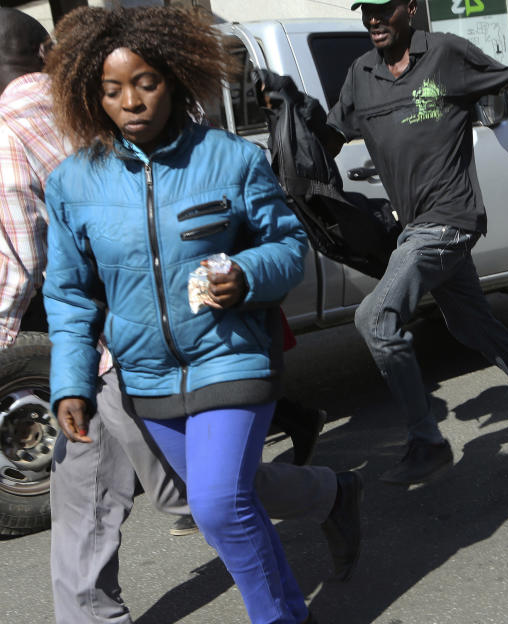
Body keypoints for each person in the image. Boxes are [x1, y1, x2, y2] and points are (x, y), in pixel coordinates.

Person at [40, 7, 354, 624]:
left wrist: (247, 275)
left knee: (215, 506)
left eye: (145, 82)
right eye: (112, 90)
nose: (131, 101)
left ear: (176, 79)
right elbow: (71, 294)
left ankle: (281, 618)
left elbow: (289, 247)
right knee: (232, 497)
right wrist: (70, 382)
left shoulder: (230, 160)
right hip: (147, 376)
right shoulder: (72, 182)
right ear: (91, 97)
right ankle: (336, 498)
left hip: (231, 356)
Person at [318, 0, 508, 485]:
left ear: (410, 8)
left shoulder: (446, 54)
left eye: (383, 7)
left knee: (373, 317)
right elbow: (328, 138)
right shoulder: (360, 74)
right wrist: (293, 149)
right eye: (365, 8)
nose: (372, 18)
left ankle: (426, 441)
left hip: (450, 219)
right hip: (413, 226)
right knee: (469, 324)